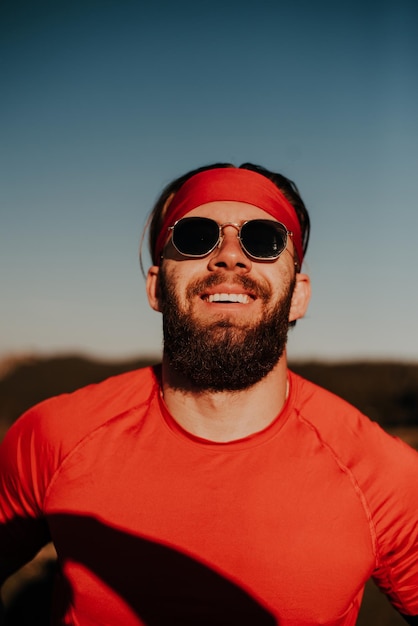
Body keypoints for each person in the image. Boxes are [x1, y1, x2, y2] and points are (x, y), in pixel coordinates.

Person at [0, 162, 417, 626]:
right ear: (157, 286)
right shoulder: (52, 437)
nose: (231, 257)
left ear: (298, 294)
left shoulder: (384, 476)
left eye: (263, 239)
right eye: (196, 236)